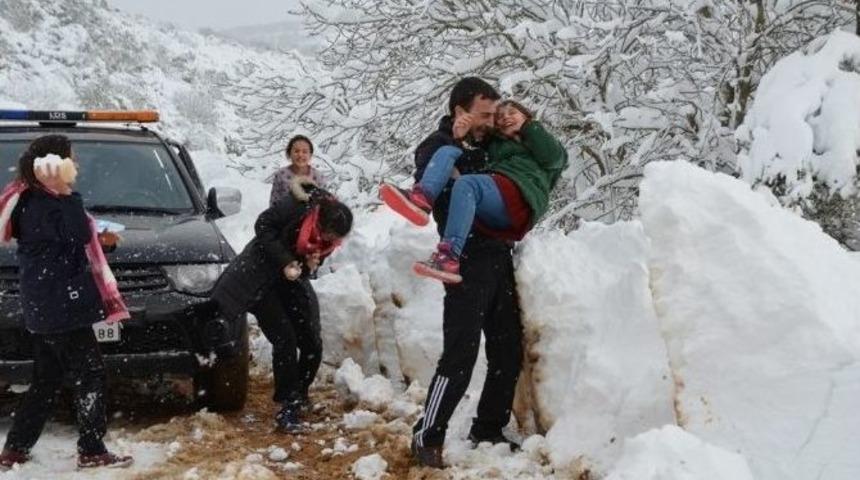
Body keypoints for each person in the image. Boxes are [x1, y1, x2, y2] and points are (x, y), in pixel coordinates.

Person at [382, 77, 525, 468]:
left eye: (494, 114)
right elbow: (431, 171)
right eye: (484, 114)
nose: (491, 121)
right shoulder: (437, 146)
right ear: (461, 111)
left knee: (507, 349)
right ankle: (427, 435)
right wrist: (457, 145)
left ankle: (488, 428)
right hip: (461, 262)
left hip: (500, 256)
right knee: (460, 354)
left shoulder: (491, 145)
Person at [0, 135, 133, 470]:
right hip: (60, 306)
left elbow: (69, 243)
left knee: (46, 378)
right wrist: (66, 192)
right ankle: (91, 449)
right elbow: (73, 234)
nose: (77, 165)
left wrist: (104, 241)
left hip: (49, 304)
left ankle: (16, 447)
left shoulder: (36, 200)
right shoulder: (42, 202)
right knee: (91, 374)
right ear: (54, 164)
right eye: (71, 159)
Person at [211, 186, 352, 433]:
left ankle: (300, 391)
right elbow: (263, 226)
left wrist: (306, 266)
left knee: (311, 339)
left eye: (335, 240)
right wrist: (286, 260)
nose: (330, 242)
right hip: (258, 278)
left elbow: (307, 267)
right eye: (329, 235)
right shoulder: (297, 207)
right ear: (321, 221)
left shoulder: (324, 240)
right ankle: (288, 406)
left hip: (288, 280)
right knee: (285, 338)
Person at [382, 99, 568, 282]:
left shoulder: (542, 143)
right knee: (448, 151)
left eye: (512, 112)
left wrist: (529, 127)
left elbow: (553, 158)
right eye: (500, 116)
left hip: (522, 199)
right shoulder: (495, 146)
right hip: (497, 201)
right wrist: (459, 137)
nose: (505, 117)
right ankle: (422, 199)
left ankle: (449, 254)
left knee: (467, 184)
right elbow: (471, 154)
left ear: (526, 115)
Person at [269, 135, 328, 206]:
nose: (300, 155)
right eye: (296, 151)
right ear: (289, 154)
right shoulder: (281, 174)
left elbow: (324, 205)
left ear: (310, 155)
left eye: (304, 152)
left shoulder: (319, 177)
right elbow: (274, 202)